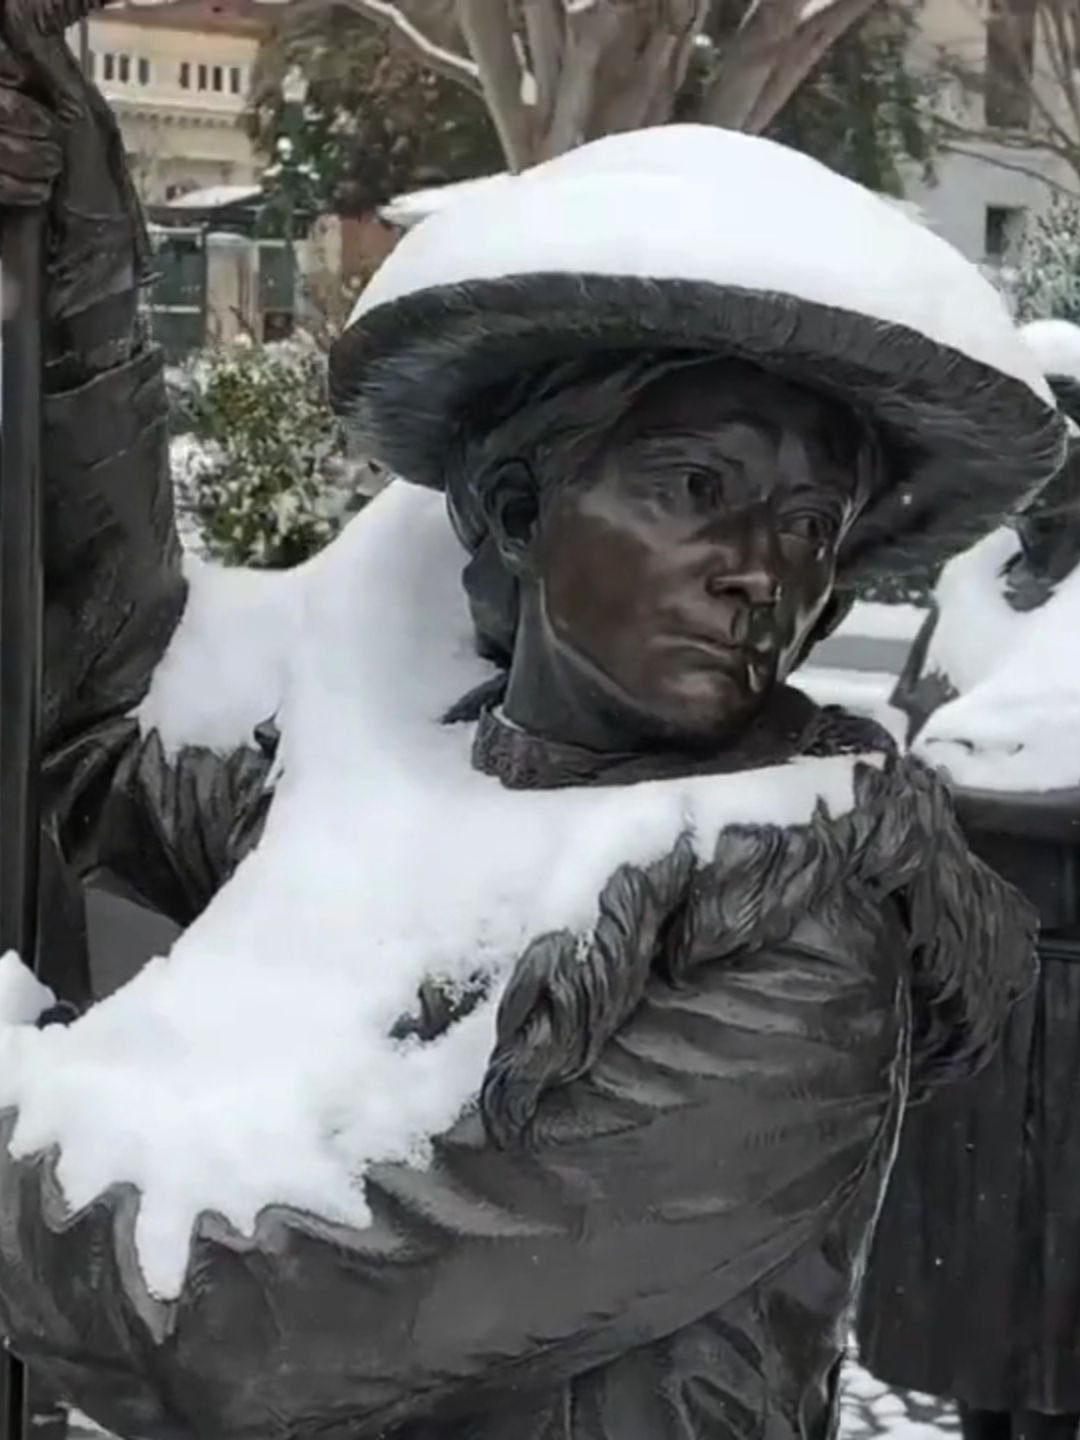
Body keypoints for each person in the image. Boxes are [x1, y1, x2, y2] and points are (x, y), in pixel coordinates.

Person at [0, 21, 1063, 1440]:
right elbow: (110, 703)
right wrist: (75, 253)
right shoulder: (388, 800)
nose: (769, 568)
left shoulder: (797, 946)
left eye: (813, 523)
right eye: (696, 486)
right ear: (516, 515)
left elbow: (245, 1325)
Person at [857, 318, 1080, 1440]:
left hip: (1070, 991)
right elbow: (921, 731)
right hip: (972, 990)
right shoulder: (982, 576)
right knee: (975, 1307)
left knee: (1059, 1307)